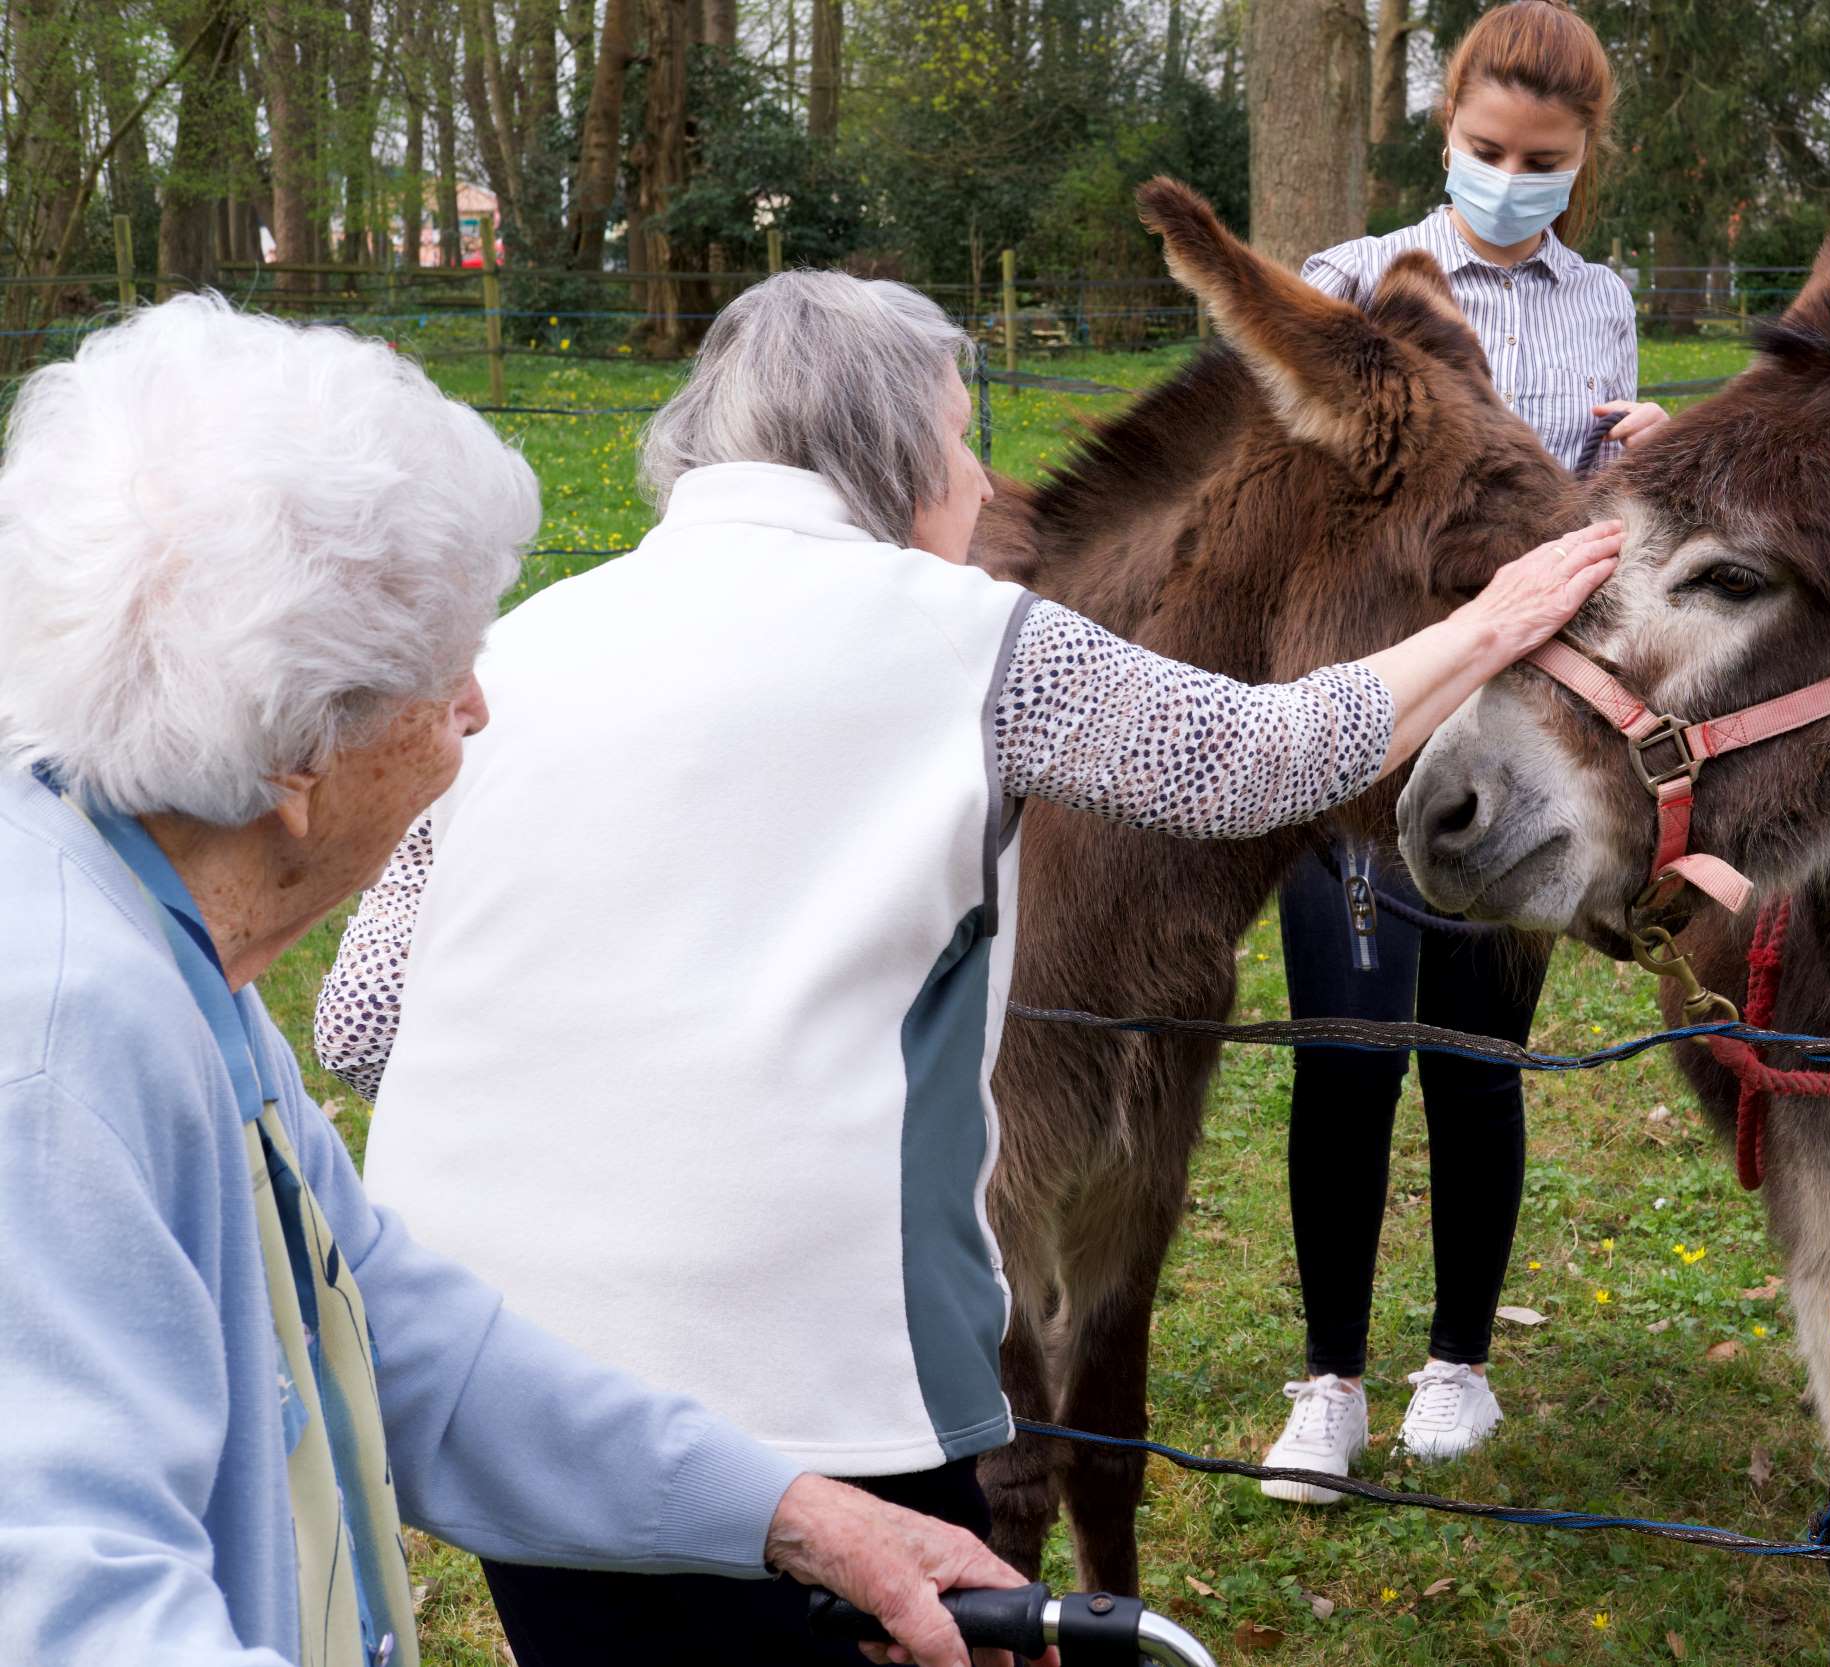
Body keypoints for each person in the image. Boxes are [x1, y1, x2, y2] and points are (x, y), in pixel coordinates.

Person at [310, 268, 1621, 1667]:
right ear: (885, 455)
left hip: (498, 1391)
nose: (983, 474)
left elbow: (360, 1018)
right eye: (957, 435)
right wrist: (1493, 620)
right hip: (813, 1403)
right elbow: (1256, 761)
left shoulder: (520, 651)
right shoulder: (972, 641)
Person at [0, 296, 1051, 1667]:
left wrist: (796, 1514)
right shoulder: (59, 1049)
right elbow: (79, 1614)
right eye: (443, 674)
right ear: (291, 762)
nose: (481, 706)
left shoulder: (162, 946)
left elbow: (392, 1337)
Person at [1259, 0, 1659, 1499]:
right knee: (1348, 1053)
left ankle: (1458, 1364)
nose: (1512, 175)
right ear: (1445, 128)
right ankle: (1329, 1385)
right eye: (1488, 148)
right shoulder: (1346, 285)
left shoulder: (1600, 302)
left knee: (1480, 1063)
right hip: (1367, 721)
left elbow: (1599, 516)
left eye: (1542, 158)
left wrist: (1647, 458)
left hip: (1526, 728)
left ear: (1580, 160)